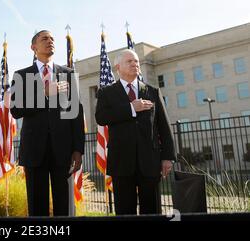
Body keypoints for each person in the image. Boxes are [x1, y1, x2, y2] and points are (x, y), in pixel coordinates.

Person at [10, 30, 85, 216]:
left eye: (52, 38)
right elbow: (16, 110)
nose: (50, 41)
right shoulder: (21, 75)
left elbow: (76, 113)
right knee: (37, 207)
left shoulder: (68, 73)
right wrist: (43, 94)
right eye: (44, 38)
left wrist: (78, 149)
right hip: (34, 151)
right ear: (33, 47)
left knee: (64, 207)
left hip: (63, 152)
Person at [95, 49, 176, 215]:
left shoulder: (152, 91)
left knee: (152, 210)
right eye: (129, 61)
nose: (135, 64)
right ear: (118, 66)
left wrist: (167, 156)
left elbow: (164, 126)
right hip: (121, 163)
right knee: (125, 211)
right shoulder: (106, 92)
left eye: (136, 61)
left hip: (150, 163)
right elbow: (101, 117)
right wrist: (131, 108)